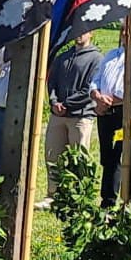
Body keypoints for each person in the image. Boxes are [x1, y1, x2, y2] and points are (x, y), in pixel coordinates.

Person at [41, 32, 102, 210]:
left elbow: (90, 88)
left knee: (79, 158)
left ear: (91, 33)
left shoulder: (96, 59)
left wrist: (67, 104)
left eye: (83, 31)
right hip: (58, 116)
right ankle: (53, 195)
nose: (79, 34)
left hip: (81, 116)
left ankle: (78, 197)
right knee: (52, 154)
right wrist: (54, 103)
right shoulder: (63, 57)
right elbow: (51, 83)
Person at [90, 15, 131, 207]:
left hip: (128, 111)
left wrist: (114, 100)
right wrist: (97, 96)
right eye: (122, 29)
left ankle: (123, 200)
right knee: (108, 158)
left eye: (129, 29)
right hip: (105, 112)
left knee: (122, 156)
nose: (124, 33)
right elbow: (96, 79)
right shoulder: (112, 54)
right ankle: (107, 199)